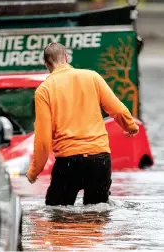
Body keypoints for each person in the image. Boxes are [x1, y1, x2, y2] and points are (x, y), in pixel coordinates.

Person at [26, 42, 139, 206]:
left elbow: (43, 140)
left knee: (57, 216)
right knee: (97, 215)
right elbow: (118, 110)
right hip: (99, 160)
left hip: (68, 161)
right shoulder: (92, 77)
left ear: (47, 65)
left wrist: (34, 171)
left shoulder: (44, 90)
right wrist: (130, 127)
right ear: (66, 57)